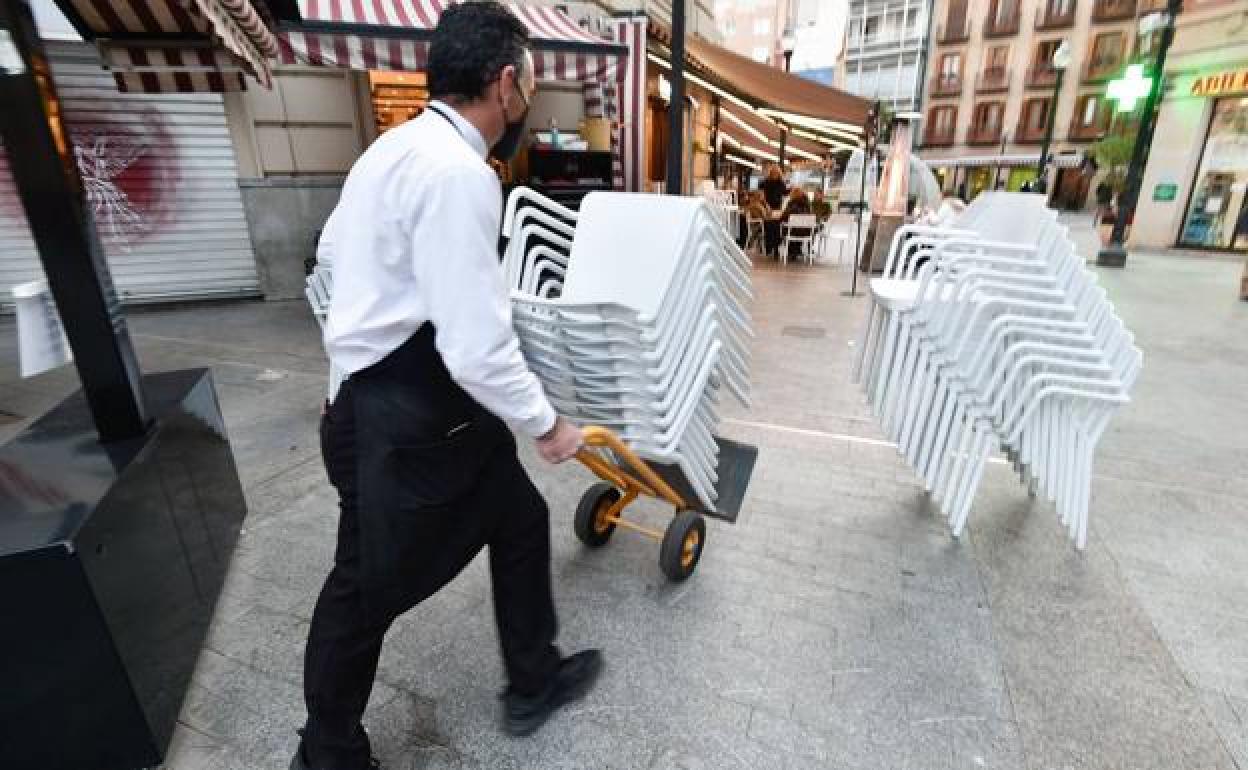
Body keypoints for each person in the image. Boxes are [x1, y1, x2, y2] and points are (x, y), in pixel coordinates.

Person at [293, 6, 602, 770]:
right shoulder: (462, 175)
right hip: (407, 417)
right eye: (529, 82)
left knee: (520, 517)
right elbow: (475, 345)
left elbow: (331, 253)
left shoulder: (390, 149)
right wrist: (546, 424)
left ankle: (533, 678)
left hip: (388, 400)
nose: (527, 99)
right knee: (364, 587)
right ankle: (326, 752)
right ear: (506, 84)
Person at [760, 165, 789, 257]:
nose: (775, 174)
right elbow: (762, 195)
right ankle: (769, 248)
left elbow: (784, 193)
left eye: (777, 172)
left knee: (776, 228)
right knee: (768, 227)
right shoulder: (765, 182)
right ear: (771, 173)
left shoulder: (781, 183)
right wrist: (766, 205)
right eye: (773, 172)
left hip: (777, 208)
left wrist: (791, 190)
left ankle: (776, 249)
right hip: (767, 207)